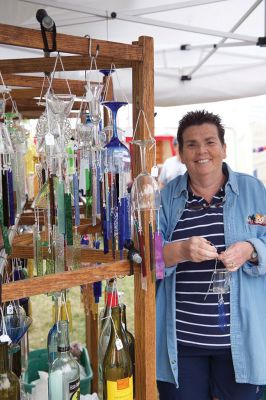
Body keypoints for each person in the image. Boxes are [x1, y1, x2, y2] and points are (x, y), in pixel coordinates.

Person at [156, 110, 266, 400]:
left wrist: (251, 249)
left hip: (241, 343)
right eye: (191, 144)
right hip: (181, 345)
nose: (201, 151)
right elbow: (145, 257)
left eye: (210, 142)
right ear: (179, 153)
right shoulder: (166, 199)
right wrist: (179, 250)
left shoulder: (253, 190)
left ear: (224, 148)